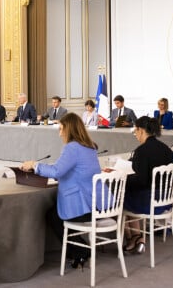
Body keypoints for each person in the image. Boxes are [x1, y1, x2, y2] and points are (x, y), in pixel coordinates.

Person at [21, 113, 102, 268]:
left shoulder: (72, 148)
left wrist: (34, 165)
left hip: (85, 207)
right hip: (98, 204)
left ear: (69, 129)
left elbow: (57, 171)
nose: (59, 134)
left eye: (61, 129)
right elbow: (76, 171)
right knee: (54, 215)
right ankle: (79, 252)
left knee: (54, 216)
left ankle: (81, 251)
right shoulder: (89, 146)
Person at [122, 116, 173, 254]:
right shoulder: (166, 149)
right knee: (128, 195)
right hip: (165, 200)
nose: (135, 134)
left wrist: (123, 179)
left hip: (150, 201)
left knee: (121, 198)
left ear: (141, 130)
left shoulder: (141, 151)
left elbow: (142, 181)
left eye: (135, 131)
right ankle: (136, 238)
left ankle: (135, 237)